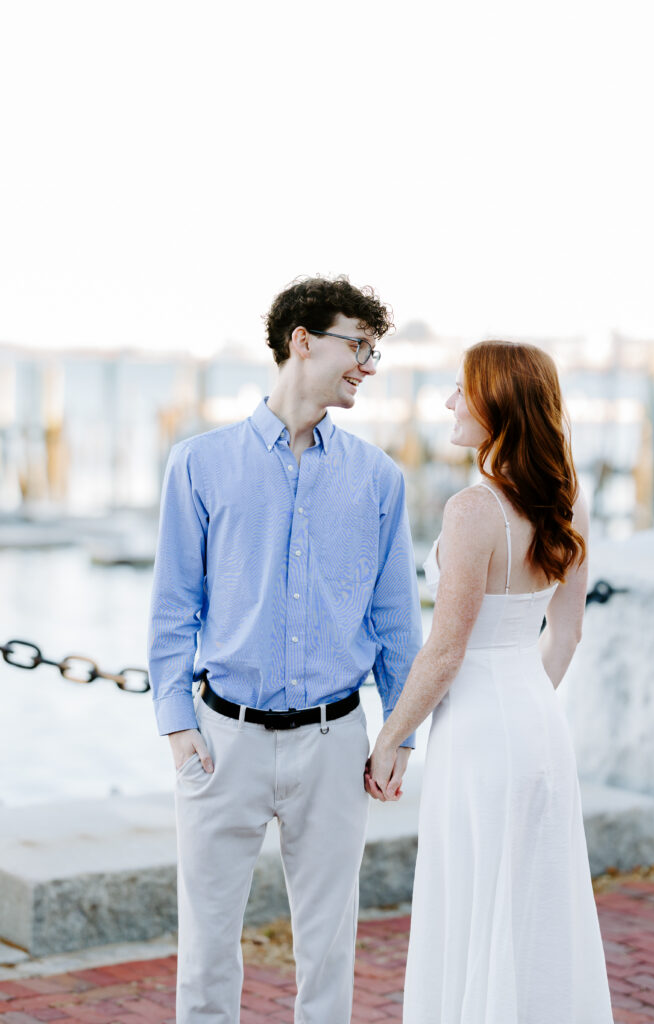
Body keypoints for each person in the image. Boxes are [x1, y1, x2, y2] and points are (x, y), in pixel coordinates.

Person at [148, 276, 422, 1024]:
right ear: (302, 341)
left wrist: (397, 733)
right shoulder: (199, 464)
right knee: (205, 951)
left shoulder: (379, 480)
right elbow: (174, 606)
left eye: (375, 350)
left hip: (336, 745)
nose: (368, 363)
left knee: (328, 952)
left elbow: (397, 619)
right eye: (357, 345)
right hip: (221, 740)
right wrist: (177, 726)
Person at [368, 340, 614, 1024]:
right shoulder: (569, 499)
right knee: (532, 904)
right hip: (537, 719)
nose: (447, 401)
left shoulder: (473, 510)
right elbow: (565, 636)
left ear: (495, 402)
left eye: (459, 389)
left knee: (475, 898)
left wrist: (389, 738)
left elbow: (444, 650)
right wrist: (523, 705)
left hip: (479, 733)